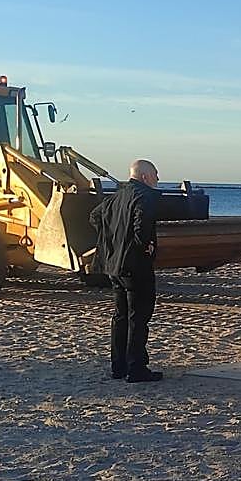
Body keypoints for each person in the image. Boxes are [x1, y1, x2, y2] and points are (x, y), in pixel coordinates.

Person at [90, 159, 163, 382]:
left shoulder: (116, 196)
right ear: (145, 176)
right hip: (134, 265)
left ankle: (118, 366)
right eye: (156, 175)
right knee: (138, 317)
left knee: (120, 315)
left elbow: (94, 217)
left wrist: (112, 239)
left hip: (114, 266)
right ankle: (136, 368)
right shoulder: (145, 196)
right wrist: (145, 246)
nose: (158, 179)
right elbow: (142, 226)